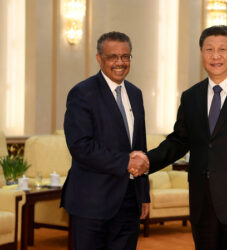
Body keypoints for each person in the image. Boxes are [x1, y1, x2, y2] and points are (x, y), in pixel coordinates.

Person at [130, 25, 227, 249]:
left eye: (222, 49)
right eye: (209, 49)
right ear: (201, 53)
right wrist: (147, 161)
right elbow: (178, 141)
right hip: (203, 204)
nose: (215, 56)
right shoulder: (191, 96)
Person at [61, 31, 150, 250]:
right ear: (100, 58)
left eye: (125, 56)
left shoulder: (135, 94)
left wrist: (144, 194)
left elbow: (140, 147)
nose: (120, 62)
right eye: (113, 57)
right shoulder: (82, 93)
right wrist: (125, 162)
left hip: (129, 201)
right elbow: (80, 146)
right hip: (92, 202)